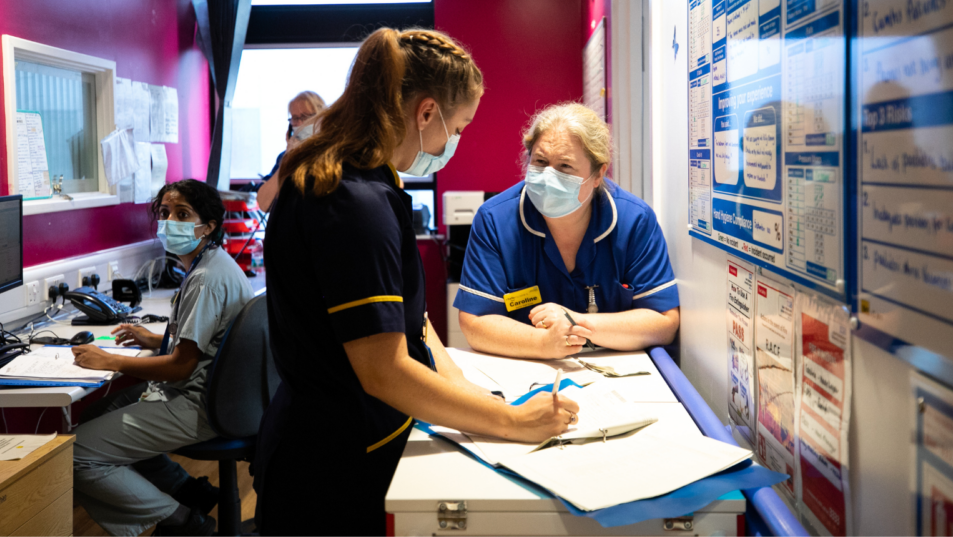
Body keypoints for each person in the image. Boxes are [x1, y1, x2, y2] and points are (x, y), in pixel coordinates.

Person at [256, 27, 580, 536]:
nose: (456, 141)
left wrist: (477, 400)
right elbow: (384, 370)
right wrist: (512, 423)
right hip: (333, 468)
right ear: (426, 113)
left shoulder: (360, 178)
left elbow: (414, 324)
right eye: (459, 127)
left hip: (348, 437)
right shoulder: (353, 202)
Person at [71, 179, 254, 536]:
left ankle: (183, 520)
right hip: (224, 395)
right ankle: (189, 491)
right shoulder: (213, 264)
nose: (169, 222)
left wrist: (112, 362)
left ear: (209, 226)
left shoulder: (205, 279)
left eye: (182, 214)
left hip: (199, 403)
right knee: (98, 413)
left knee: (74, 455)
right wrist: (155, 339)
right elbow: (205, 342)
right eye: (165, 213)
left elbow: (182, 366)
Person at [454, 102, 680, 359]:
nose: (548, 176)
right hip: (526, 375)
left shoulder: (634, 220)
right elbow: (475, 323)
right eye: (540, 161)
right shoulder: (495, 219)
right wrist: (542, 343)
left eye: (565, 166)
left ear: (598, 175)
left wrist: (576, 323)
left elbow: (664, 323)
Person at [255, 90, 327, 211]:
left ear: (320, 119)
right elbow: (264, 204)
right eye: (294, 118)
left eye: (305, 117)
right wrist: (289, 156)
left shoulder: (332, 155)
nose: (299, 123)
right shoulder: (284, 157)